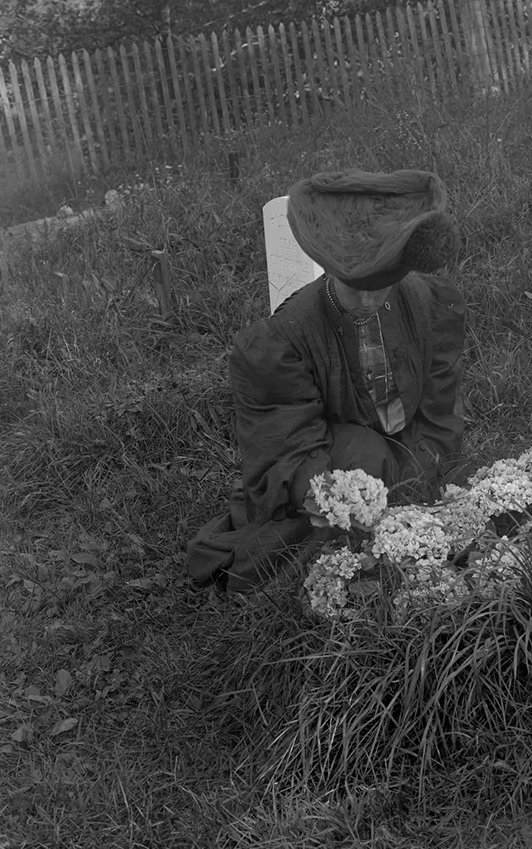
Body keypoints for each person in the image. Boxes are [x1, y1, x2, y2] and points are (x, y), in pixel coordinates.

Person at [187, 168, 465, 593]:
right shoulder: (284, 339)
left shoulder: (427, 302)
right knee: (365, 460)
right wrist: (330, 494)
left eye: (382, 289)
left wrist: (425, 476)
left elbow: (439, 406)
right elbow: (285, 434)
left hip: (401, 440)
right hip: (334, 451)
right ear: (332, 271)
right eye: (357, 290)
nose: (369, 302)